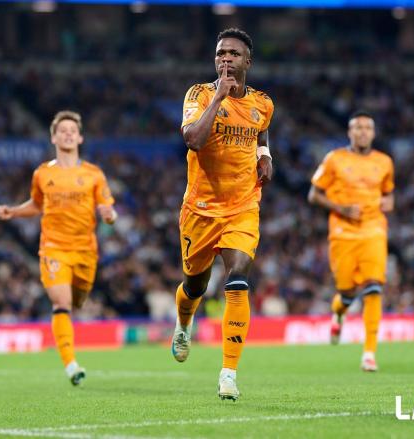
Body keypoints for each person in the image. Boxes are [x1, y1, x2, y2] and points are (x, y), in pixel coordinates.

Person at [172, 28, 274, 401]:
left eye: (233, 53)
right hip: (199, 211)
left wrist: (265, 157)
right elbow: (194, 140)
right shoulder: (199, 94)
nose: (225, 59)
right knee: (195, 286)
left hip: (243, 207)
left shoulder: (263, 103)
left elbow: (261, 135)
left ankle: (228, 372)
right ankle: (184, 322)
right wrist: (219, 95)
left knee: (237, 277)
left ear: (248, 61)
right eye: (220, 53)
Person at [0, 110, 116, 384]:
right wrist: (13, 212)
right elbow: (37, 205)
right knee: (61, 304)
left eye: (72, 130)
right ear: (53, 136)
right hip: (53, 248)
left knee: (78, 299)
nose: (68, 133)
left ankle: (72, 320)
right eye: (62, 130)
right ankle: (70, 364)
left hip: (86, 250)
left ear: (80, 137)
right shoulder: (42, 174)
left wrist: (109, 215)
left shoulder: (93, 174)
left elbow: (107, 206)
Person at [308, 111, 394, 372]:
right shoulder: (335, 159)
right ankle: (339, 313)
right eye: (357, 128)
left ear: (374, 133)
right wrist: (341, 209)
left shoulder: (385, 162)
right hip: (343, 232)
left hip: (373, 230)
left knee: (374, 287)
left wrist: (389, 203)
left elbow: (389, 194)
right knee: (347, 292)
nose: (363, 132)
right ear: (349, 132)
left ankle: (369, 353)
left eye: (367, 128)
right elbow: (314, 195)